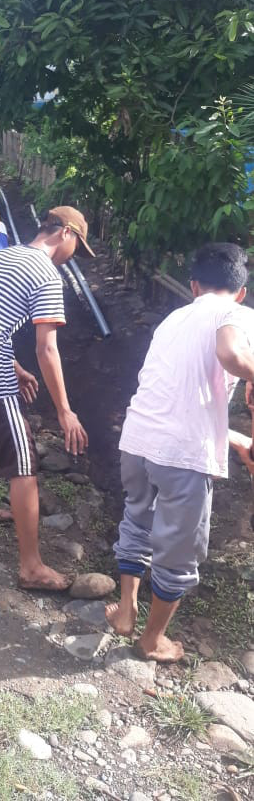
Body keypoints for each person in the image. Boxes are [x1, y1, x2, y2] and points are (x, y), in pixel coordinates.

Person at [106, 242, 254, 661]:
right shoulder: (237, 314)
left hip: (138, 441)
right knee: (178, 552)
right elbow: (231, 354)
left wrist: (237, 440)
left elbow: (181, 402)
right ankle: (152, 640)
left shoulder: (174, 319)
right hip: (183, 458)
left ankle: (125, 612)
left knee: (137, 519)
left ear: (193, 286)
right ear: (241, 292)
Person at [0, 206, 94, 591]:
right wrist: (65, 411)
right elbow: (47, 349)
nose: (74, 256)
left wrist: (14, 365)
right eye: (77, 246)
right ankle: (31, 568)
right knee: (24, 463)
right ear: (65, 233)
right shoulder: (47, 274)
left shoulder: (8, 253)